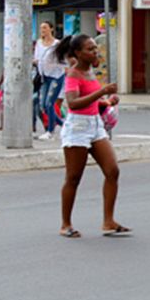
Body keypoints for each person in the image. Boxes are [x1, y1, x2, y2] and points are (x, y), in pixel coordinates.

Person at [54, 33, 127, 238]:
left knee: (112, 171)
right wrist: (101, 92)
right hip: (77, 127)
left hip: (95, 125)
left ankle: (108, 221)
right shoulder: (73, 74)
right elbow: (73, 103)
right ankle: (66, 224)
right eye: (90, 49)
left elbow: (89, 99)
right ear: (78, 53)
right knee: (73, 178)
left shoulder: (90, 71)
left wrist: (107, 101)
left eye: (95, 48)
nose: (95, 52)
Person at [33, 22, 66, 141]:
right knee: (43, 105)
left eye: (45, 27)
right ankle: (64, 125)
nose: (43, 30)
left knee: (49, 103)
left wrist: (52, 63)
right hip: (44, 76)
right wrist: (35, 62)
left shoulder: (57, 44)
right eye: (41, 28)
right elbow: (36, 58)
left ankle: (50, 131)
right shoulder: (39, 43)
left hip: (56, 76)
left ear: (51, 29)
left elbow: (63, 60)